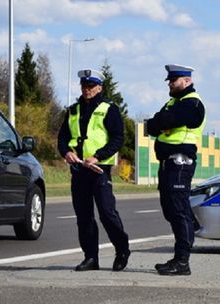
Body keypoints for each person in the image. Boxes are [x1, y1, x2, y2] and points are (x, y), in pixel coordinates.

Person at [57, 69, 130, 272]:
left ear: (99, 87)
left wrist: (97, 156)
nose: (87, 90)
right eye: (84, 86)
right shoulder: (73, 110)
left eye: (91, 86)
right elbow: (62, 137)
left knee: (107, 213)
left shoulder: (109, 109)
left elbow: (117, 138)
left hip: (99, 169)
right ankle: (91, 257)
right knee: (84, 216)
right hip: (79, 169)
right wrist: (66, 153)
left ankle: (122, 250)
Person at [146, 64, 206, 275]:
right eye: (170, 81)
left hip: (180, 163)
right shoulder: (173, 102)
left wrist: (163, 121)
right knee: (170, 209)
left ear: (187, 81)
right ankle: (188, 232)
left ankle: (182, 261)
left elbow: (166, 120)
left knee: (179, 210)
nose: (170, 84)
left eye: (173, 81)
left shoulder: (193, 103)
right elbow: (152, 125)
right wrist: (161, 122)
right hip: (167, 164)